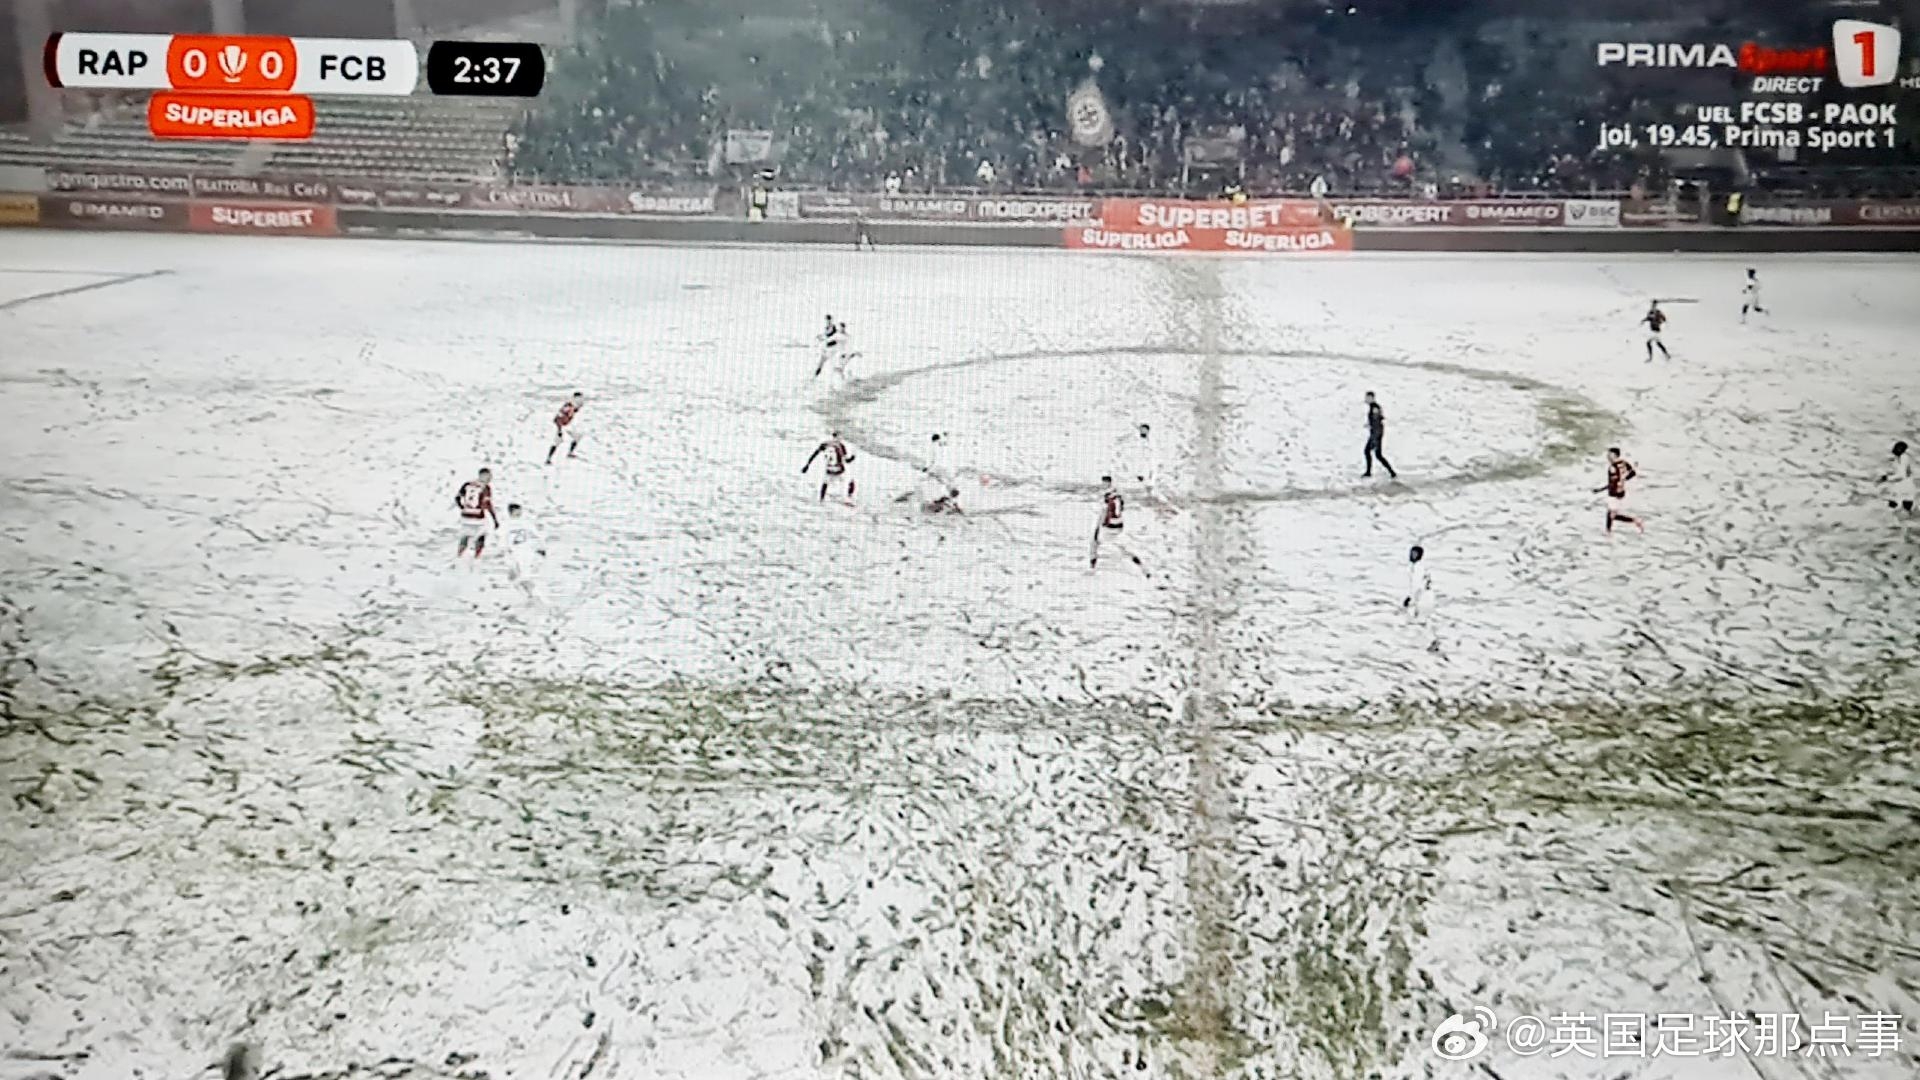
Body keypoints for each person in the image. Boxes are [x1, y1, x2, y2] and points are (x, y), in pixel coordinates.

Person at [1089, 475, 1144, 572]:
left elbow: (1104, 513)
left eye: (1104, 482)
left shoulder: (1108, 496)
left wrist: (1098, 527)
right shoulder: (1117, 493)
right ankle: (1134, 559)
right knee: (1117, 545)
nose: (1103, 484)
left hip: (1109, 526)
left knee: (1096, 542)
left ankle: (1092, 565)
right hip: (1118, 525)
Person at [454, 467, 499, 558]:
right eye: (489, 476)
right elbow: (488, 505)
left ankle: (459, 554)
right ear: (483, 475)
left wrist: (463, 508)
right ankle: (477, 556)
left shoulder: (467, 484)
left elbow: (457, 498)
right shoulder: (485, 488)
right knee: (482, 533)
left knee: (466, 534)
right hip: (478, 516)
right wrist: (495, 519)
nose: (490, 478)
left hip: (465, 516)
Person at [502, 502, 545, 596]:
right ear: (511, 512)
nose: (519, 513)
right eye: (517, 511)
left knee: (523, 574)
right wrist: (506, 550)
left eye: (520, 511)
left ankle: (531, 593)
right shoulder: (507, 524)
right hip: (515, 551)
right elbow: (504, 539)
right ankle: (528, 592)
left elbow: (536, 535)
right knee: (516, 574)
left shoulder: (524, 523)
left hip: (524, 549)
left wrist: (540, 547)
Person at [1597, 448, 1643, 534]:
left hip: (1614, 492)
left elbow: (1612, 483)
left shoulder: (1612, 467)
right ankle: (1608, 531)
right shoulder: (1624, 463)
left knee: (1612, 515)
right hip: (1621, 491)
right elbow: (1632, 473)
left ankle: (1635, 520)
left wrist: (1601, 489)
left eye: (1609, 454)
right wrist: (1624, 479)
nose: (1607, 456)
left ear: (1614, 455)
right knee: (1610, 513)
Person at [803, 431, 856, 502]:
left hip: (834, 469)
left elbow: (846, 460)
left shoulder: (840, 446)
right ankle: (847, 497)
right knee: (845, 481)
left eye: (840, 438)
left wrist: (852, 457)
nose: (840, 439)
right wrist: (807, 465)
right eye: (839, 437)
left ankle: (822, 499)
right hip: (837, 470)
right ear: (834, 436)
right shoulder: (828, 444)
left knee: (827, 482)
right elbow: (815, 454)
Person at [1363, 392, 1397, 480]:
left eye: (1367, 398)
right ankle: (1391, 472)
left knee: (1370, 452)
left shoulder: (1374, 408)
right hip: (1376, 434)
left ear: (1372, 398)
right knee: (1377, 454)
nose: (1366, 399)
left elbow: (1377, 422)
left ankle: (1369, 472)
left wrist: (1375, 436)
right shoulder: (1374, 407)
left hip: (1376, 435)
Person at [546, 392, 584, 464]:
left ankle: (570, 453)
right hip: (561, 426)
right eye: (580, 399)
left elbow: (574, 412)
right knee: (557, 442)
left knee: (578, 436)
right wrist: (559, 430)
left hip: (566, 425)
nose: (581, 401)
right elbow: (558, 418)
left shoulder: (574, 406)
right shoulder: (568, 406)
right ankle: (548, 459)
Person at [1881, 440, 1914, 514]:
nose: (1895, 449)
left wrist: (1887, 478)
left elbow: (1901, 475)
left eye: (1898, 448)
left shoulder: (1903, 458)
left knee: (1892, 505)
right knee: (1906, 508)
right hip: (1907, 486)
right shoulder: (1901, 457)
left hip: (1903, 486)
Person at [1403, 544, 1432, 619]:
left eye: (1415, 554)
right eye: (1412, 553)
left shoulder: (1419, 567)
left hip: (1420, 597)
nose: (1413, 555)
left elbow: (1417, 584)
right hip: (1419, 596)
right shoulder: (1414, 566)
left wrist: (1410, 598)